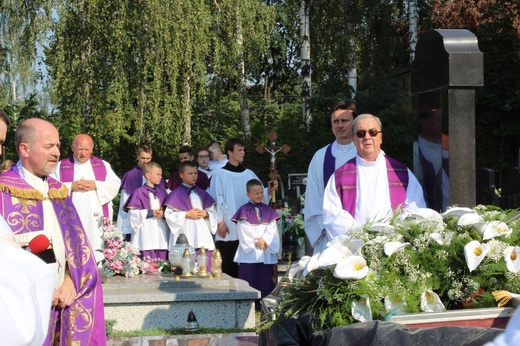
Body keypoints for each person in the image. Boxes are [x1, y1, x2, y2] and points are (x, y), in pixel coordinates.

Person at [0, 117, 106, 344]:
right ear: (24, 149)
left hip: (64, 302)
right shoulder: (3, 191)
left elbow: (78, 248)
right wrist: (43, 288)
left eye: (58, 145)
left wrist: (70, 280)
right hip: (26, 305)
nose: (57, 153)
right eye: (49, 146)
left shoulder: (60, 192)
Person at [323, 114, 426, 238]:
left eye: (373, 132)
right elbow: (332, 214)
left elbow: (415, 208)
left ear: (380, 137)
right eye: (361, 133)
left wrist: (394, 235)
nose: (367, 137)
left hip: (394, 245)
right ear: (354, 140)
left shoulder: (401, 173)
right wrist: (361, 238)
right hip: (355, 248)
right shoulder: (340, 177)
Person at [208, 138, 277, 278]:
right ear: (229, 152)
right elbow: (216, 199)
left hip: (249, 229)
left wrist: (268, 190)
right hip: (228, 227)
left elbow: (258, 194)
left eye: (243, 150)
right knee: (229, 267)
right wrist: (220, 222)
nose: (243, 153)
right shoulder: (220, 174)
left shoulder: (249, 174)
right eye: (239, 150)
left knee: (247, 269)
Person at [53, 134, 121, 263]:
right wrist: (71, 186)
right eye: (80, 149)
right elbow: (51, 187)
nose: (83, 153)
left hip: (96, 215)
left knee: (96, 241)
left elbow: (115, 183)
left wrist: (95, 185)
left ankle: (99, 266)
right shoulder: (61, 166)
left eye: (86, 149)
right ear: (72, 148)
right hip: (72, 214)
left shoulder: (102, 165)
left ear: (92, 149)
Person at [305, 100, 358, 254]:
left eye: (345, 121)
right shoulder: (320, 157)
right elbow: (312, 198)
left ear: (354, 123)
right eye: (336, 121)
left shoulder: (365, 154)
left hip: (361, 234)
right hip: (328, 237)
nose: (340, 125)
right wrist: (328, 229)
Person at [232, 179, 280, 307]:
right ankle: (249, 301)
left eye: (261, 192)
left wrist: (265, 240)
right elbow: (243, 229)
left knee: (265, 276)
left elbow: (272, 228)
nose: (259, 196)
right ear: (248, 194)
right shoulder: (243, 210)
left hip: (265, 248)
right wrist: (257, 240)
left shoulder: (268, 209)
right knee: (249, 275)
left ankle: (264, 301)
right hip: (251, 251)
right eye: (256, 193)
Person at [164, 160, 217, 270]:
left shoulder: (202, 193)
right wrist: (187, 214)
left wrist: (206, 214)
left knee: (203, 266)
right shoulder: (175, 194)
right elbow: (169, 215)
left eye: (195, 173)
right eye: (190, 173)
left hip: (202, 235)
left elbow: (213, 212)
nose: (194, 176)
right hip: (185, 232)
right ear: (181, 175)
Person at [117, 144, 165, 241]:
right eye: (143, 158)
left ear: (151, 157)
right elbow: (125, 202)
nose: (145, 161)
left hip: (157, 224)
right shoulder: (130, 176)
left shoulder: (157, 176)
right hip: (136, 222)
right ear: (137, 157)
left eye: (148, 158)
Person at [124, 162, 169, 260]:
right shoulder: (138, 192)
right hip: (145, 234)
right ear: (148, 175)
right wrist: (150, 213)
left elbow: (170, 211)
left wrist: (164, 213)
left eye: (161, 174)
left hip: (161, 233)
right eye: (158, 174)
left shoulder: (163, 192)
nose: (161, 177)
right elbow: (133, 214)